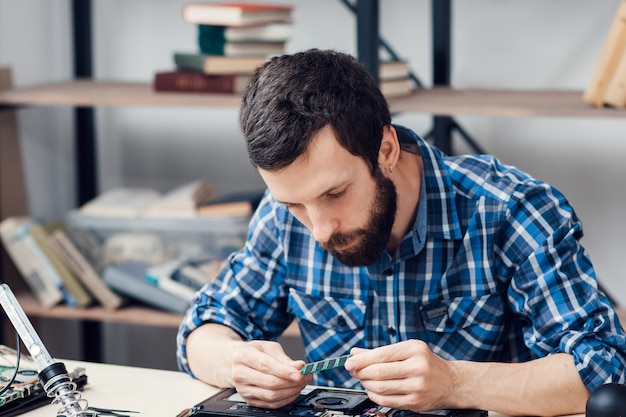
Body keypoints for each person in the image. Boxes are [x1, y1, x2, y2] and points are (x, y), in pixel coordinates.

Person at [176, 49, 626, 416]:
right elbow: (202, 329)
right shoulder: (281, 219)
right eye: (295, 205)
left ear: (386, 150)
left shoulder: (512, 212)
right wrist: (238, 364)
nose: (318, 230)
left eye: (335, 194)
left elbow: (603, 369)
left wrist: (455, 382)